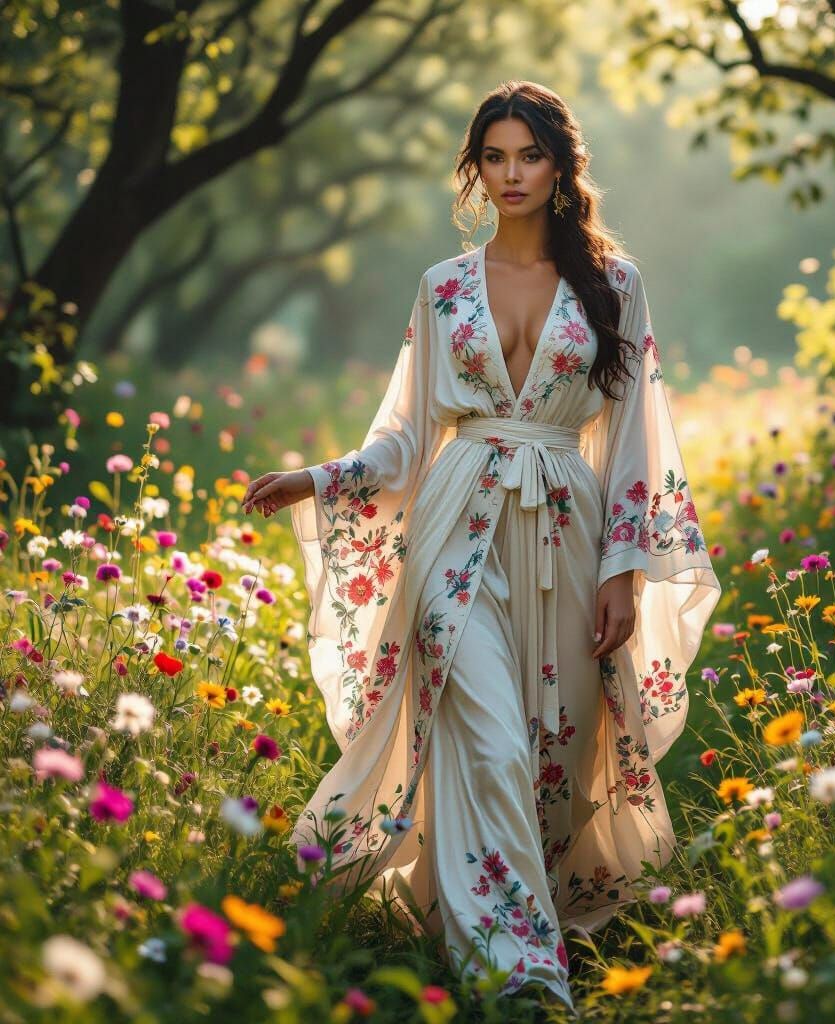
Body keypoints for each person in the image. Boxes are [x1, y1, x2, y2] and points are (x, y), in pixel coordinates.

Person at [242, 80, 721, 1013]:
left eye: (528, 156)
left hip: (569, 533)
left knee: (554, 751)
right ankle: (521, 970)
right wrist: (322, 477)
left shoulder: (614, 284)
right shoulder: (443, 288)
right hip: (456, 533)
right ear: (476, 167)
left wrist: (624, 569)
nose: (511, 174)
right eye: (494, 156)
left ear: (559, 166)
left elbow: (635, 438)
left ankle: (492, 908)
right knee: (494, 743)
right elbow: (407, 434)